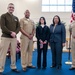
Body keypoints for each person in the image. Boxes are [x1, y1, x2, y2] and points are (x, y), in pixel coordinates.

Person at [0, 3, 20, 74]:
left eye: (12, 7)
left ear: (14, 9)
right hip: (5, 37)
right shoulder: (3, 16)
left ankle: (13, 67)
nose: (11, 8)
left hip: (14, 38)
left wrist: (15, 33)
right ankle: (1, 69)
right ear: (7, 8)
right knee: (3, 54)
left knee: (13, 53)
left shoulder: (16, 18)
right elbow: (3, 27)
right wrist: (10, 32)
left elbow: (18, 27)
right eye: (10, 7)